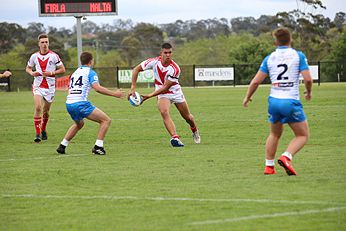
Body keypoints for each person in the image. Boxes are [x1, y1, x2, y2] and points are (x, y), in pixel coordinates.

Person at [242, 27, 312, 176]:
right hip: (290, 101)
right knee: (303, 135)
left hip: (274, 101)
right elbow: (307, 79)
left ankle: (269, 167)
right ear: (290, 39)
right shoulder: (298, 55)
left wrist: (247, 97)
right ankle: (286, 157)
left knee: (274, 134)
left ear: (275, 41)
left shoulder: (270, 58)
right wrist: (308, 92)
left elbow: (255, 82)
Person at [129, 42, 200, 147]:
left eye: (170, 53)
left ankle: (194, 130)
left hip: (175, 92)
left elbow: (165, 87)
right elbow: (136, 69)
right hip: (162, 95)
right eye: (166, 52)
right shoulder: (153, 62)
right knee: (164, 111)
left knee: (187, 117)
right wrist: (132, 88)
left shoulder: (175, 68)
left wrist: (148, 96)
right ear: (161, 53)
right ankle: (175, 137)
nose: (168, 55)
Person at [56, 52, 125, 155]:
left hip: (69, 103)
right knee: (106, 120)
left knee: (79, 124)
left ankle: (62, 145)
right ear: (91, 61)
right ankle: (98, 147)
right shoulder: (90, 72)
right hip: (80, 104)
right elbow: (97, 88)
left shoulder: (75, 72)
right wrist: (115, 94)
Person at [26, 34, 66, 143]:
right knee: (38, 107)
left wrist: (51, 72)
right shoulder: (34, 56)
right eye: (42, 42)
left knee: (46, 112)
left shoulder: (54, 56)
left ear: (48, 43)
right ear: (39, 44)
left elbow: (62, 69)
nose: (45, 44)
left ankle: (43, 129)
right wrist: (32, 73)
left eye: (46, 42)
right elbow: (28, 68)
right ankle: (37, 133)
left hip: (50, 88)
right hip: (38, 86)